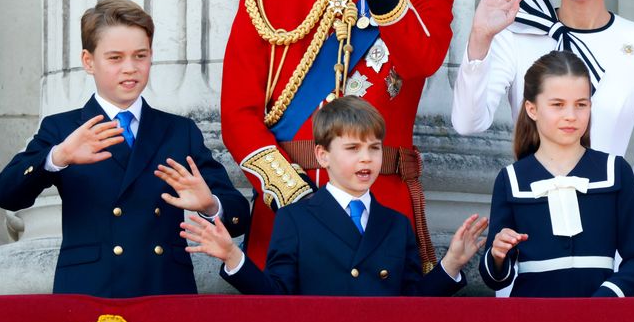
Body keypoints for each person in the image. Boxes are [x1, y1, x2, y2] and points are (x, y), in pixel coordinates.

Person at [220, 0, 454, 270]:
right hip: (287, 208)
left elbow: (421, 62)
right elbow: (238, 115)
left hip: (380, 206)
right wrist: (295, 198)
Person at [451, 0, 634, 271]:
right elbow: (467, 123)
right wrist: (480, 38)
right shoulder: (515, 37)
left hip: (611, 246)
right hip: (528, 238)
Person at [0, 0, 250, 297]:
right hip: (89, 292)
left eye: (140, 55)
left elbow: (238, 216)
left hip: (164, 289)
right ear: (89, 61)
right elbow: (6, 193)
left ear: (151, 56)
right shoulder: (62, 128)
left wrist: (209, 205)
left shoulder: (179, 131)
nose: (130, 68)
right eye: (115, 58)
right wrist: (57, 156)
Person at [182, 96, 487, 296]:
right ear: (323, 155)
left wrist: (452, 263)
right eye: (353, 149)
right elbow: (276, 297)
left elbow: (411, 303)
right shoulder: (296, 219)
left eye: (374, 148)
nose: (366, 159)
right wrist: (234, 258)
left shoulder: (396, 224)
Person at [480, 51, 634, 297]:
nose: (571, 115)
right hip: (533, 321)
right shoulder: (511, 179)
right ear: (532, 109)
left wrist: (605, 300)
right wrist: (498, 255)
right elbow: (494, 279)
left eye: (581, 104)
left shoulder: (616, 171)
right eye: (558, 105)